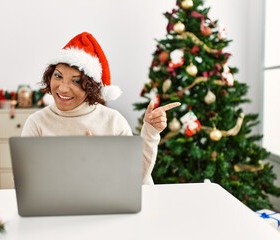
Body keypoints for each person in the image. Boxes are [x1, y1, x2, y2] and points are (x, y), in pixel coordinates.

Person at [21, 32, 180, 185]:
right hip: (55, 208)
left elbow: (138, 179)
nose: (62, 88)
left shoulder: (113, 121)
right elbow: (25, 181)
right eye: (58, 76)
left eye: (75, 81)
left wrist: (150, 132)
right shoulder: (36, 123)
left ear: (90, 86)